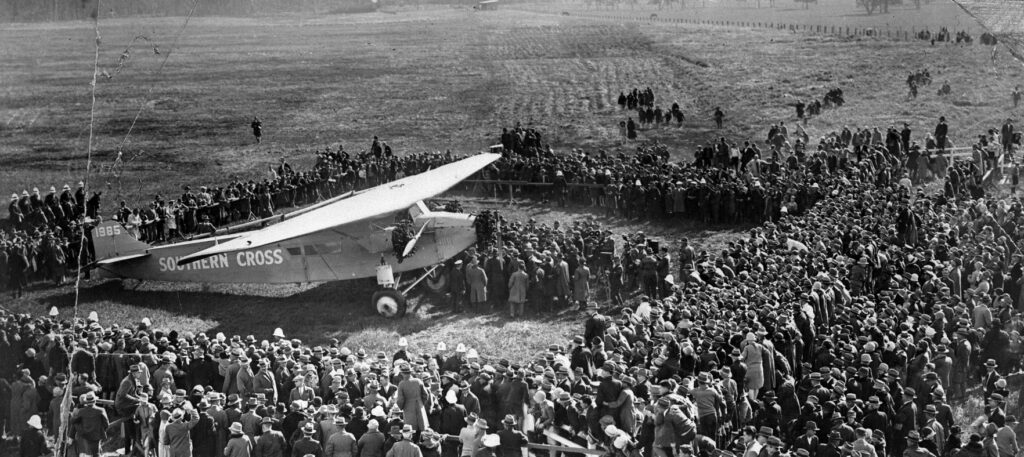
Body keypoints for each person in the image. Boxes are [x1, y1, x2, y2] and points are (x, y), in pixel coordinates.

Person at [71, 391, 110, 457]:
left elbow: (73, 421)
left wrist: (73, 413)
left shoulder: (81, 411)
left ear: (86, 402)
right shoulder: (101, 410)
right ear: (95, 401)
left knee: (88, 452)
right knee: (96, 453)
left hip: (85, 434)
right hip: (97, 434)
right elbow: (106, 424)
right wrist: (102, 430)